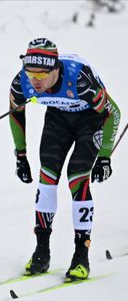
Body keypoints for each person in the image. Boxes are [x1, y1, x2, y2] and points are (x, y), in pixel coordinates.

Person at [9, 38, 121, 282]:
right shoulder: (21, 82)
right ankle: (41, 251)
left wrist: (104, 156)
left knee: (77, 178)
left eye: (42, 74)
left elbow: (113, 113)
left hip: (90, 120)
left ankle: (81, 255)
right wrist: (20, 155)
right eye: (31, 73)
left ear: (56, 69)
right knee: (47, 176)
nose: (35, 80)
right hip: (58, 118)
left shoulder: (79, 78)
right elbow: (15, 113)